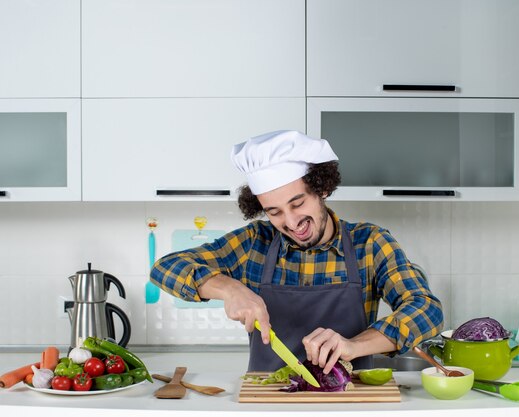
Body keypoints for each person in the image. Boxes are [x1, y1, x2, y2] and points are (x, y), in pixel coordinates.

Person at [150, 130, 443, 373]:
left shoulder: (370, 243)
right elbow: (165, 268)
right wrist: (228, 288)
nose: (291, 223)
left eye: (297, 203)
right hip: (269, 402)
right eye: (274, 212)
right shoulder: (255, 243)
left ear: (322, 188)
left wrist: (354, 345)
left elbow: (426, 310)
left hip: (352, 401)